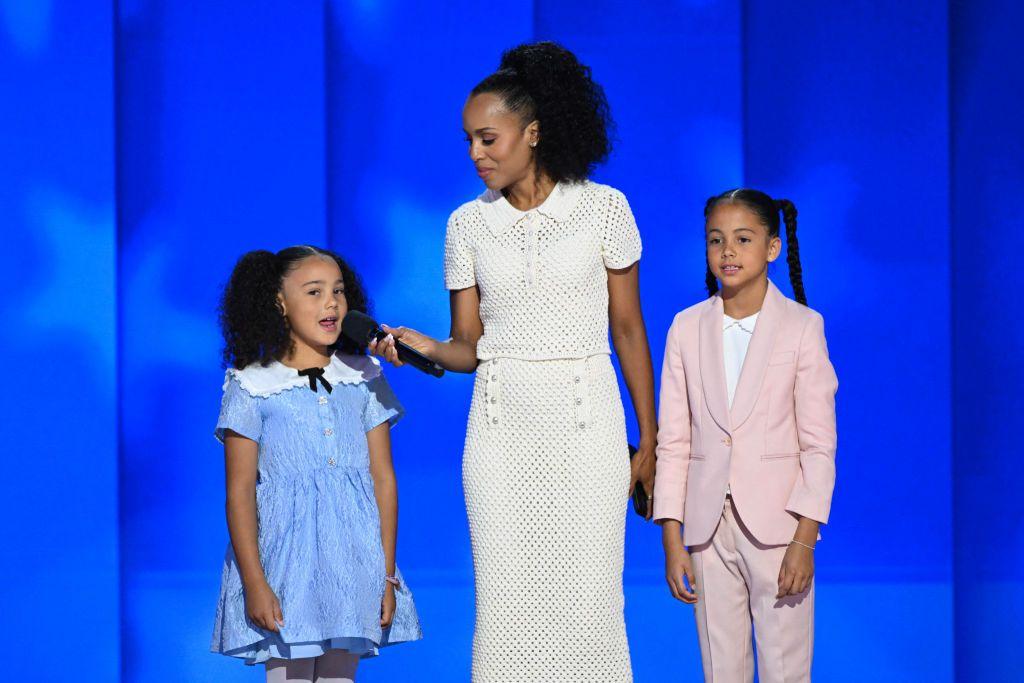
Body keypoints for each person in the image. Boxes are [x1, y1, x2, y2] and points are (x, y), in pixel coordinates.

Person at [372, 41, 657, 682]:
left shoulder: (604, 208)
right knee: (505, 609)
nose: (476, 154)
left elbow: (629, 329)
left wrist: (652, 438)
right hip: (500, 438)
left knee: (591, 605)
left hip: (590, 431)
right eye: (469, 141)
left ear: (532, 133)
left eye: (488, 139)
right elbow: (467, 346)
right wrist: (418, 345)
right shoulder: (465, 225)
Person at [210, 246, 421, 682]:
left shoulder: (363, 376)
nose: (331, 303)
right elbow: (239, 493)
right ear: (279, 303)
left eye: (339, 291)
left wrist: (386, 575)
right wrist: (255, 582)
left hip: (354, 559)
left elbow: (382, 480)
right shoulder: (252, 385)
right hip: (287, 564)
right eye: (314, 291)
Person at [654, 189, 838, 683]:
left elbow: (818, 446)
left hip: (780, 530)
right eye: (716, 240)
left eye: (742, 239)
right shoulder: (685, 328)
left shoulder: (803, 327)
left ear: (772, 247)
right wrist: (673, 537)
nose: (728, 252)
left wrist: (805, 539)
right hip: (707, 530)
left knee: (784, 669)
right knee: (721, 669)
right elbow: (674, 441)